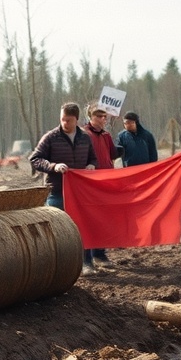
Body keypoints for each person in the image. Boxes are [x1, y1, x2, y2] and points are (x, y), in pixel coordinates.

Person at [30, 102, 97, 274]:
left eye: (68, 120)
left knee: (82, 227)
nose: (64, 123)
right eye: (62, 119)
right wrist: (53, 166)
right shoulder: (50, 137)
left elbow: (93, 158)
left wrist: (91, 165)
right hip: (56, 191)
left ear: (76, 119)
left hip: (80, 192)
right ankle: (58, 268)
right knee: (56, 229)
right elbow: (35, 159)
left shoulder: (85, 138)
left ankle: (86, 263)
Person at [83, 105, 119, 265]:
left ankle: (100, 254)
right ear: (90, 117)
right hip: (90, 183)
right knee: (89, 220)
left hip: (106, 181)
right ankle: (87, 259)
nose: (103, 119)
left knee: (103, 219)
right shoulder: (84, 134)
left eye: (105, 117)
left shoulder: (106, 135)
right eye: (99, 116)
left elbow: (112, 154)